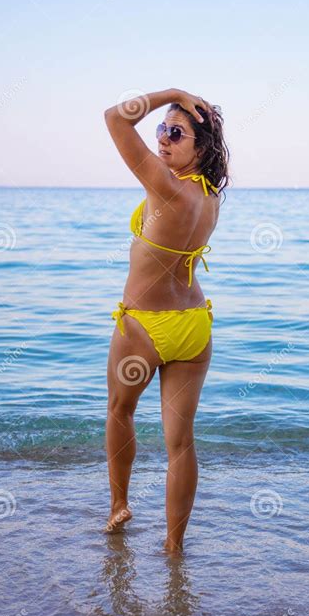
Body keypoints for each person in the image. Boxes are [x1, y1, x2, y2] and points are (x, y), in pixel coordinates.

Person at [103, 88, 230, 553]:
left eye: (176, 132)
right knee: (181, 443)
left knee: (120, 411)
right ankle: (174, 548)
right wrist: (177, 111)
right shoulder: (208, 195)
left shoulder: (168, 188)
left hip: (145, 326)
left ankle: (119, 505)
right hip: (193, 327)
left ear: (201, 146)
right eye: (161, 129)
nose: (162, 139)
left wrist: (171, 94)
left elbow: (115, 119)